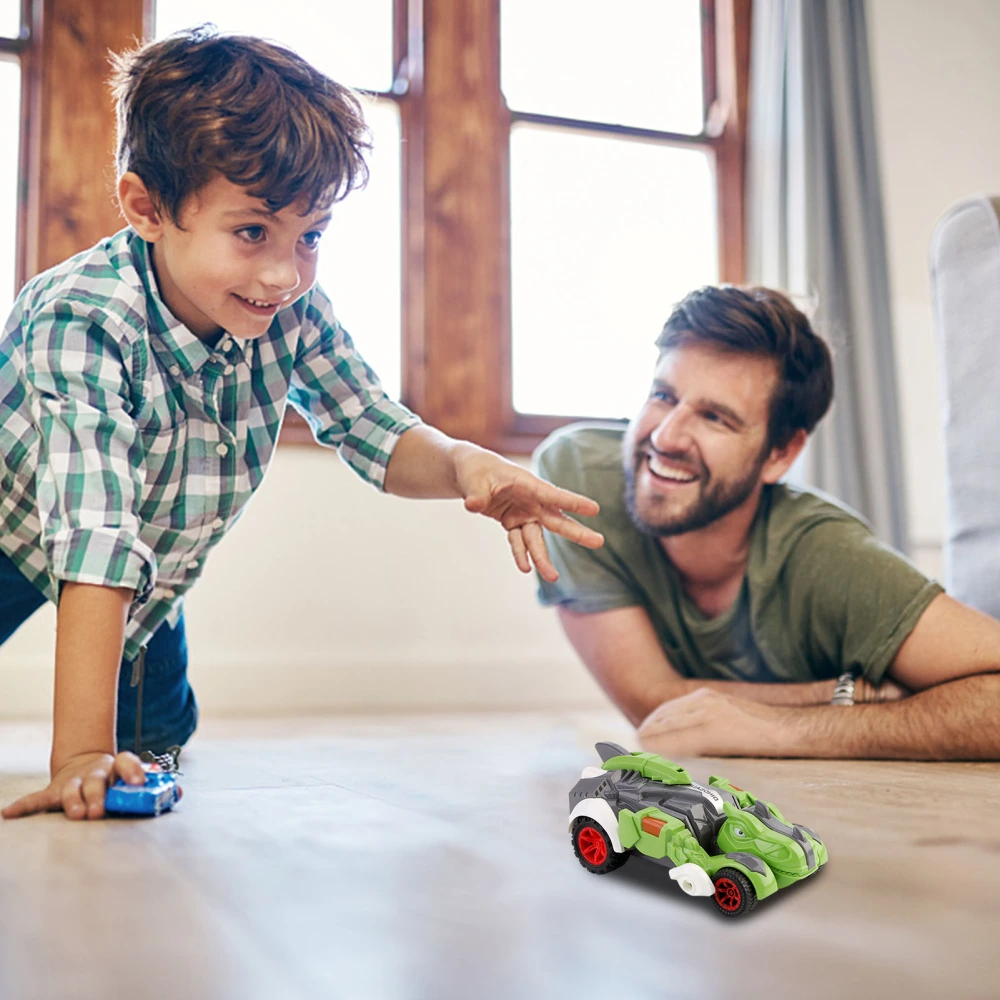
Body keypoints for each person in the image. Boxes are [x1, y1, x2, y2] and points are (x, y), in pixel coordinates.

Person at [0, 27, 604, 821]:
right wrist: (76, 754)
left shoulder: (290, 311)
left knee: (156, 745)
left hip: (149, 571)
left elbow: (372, 429)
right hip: (22, 523)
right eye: (251, 232)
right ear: (146, 206)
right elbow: (94, 535)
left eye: (310, 236)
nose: (285, 273)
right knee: (95, 740)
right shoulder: (83, 318)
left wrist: (465, 465)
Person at [535, 284, 1000, 760]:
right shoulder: (576, 483)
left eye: (715, 417)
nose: (667, 436)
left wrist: (787, 730)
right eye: (663, 395)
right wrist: (848, 693)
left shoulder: (831, 559)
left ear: (781, 453)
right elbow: (652, 703)